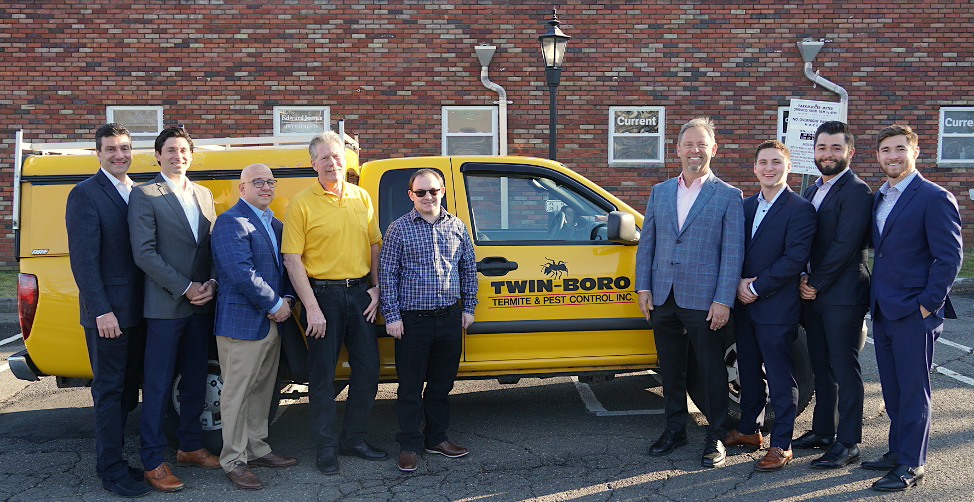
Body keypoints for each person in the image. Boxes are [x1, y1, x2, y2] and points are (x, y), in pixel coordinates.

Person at [634, 117, 745, 468]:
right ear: (678, 149)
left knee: (712, 371)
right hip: (663, 297)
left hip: (705, 300)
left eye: (701, 144)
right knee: (670, 369)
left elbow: (732, 253)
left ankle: (715, 437)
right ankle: (675, 429)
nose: (694, 150)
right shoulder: (660, 192)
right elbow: (647, 243)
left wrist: (723, 299)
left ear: (713, 149)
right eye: (688, 144)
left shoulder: (728, 196)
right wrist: (644, 287)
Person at [282, 131, 386, 476]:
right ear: (313, 164)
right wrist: (311, 307)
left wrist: (376, 288)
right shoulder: (300, 203)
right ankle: (326, 447)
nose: (331, 163)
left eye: (336, 156)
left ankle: (353, 439)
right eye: (323, 157)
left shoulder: (362, 198)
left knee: (369, 371)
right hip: (322, 296)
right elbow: (292, 259)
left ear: (346, 161)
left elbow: (374, 246)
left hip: (359, 296)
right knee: (322, 377)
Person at [865, 124, 962, 492]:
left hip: (914, 312)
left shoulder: (933, 196)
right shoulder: (880, 197)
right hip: (884, 308)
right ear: (878, 156)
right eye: (886, 150)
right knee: (892, 388)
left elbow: (949, 257)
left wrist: (927, 305)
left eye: (899, 149)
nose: (893, 156)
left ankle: (911, 463)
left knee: (913, 389)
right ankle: (896, 450)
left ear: (915, 151)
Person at [128, 126, 221, 492]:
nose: (178, 155)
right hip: (166, 305)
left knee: (196, 380)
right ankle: (152, 461)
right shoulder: (144, 194)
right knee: (159, 385)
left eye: (184, 150)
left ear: (191, 155)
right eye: (170, 150)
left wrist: (211, 283)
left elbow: (211, 247)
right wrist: (185, 287)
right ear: (158, 155)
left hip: (201, 304)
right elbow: (144, 253)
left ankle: (191, 446)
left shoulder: (204, 193)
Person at [65, 123, 151, 498]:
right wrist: (101, 311)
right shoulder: (85, 194)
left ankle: (116, 461)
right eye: (111, 149)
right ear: (98, 153)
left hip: (141, 312)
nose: (119, 155)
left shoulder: (138, 191)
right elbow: (84, 262)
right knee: (110, 392)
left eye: (125, 148)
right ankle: (111, 471)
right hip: (109, 316)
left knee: (129, 391)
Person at [724, 140, 816, 471]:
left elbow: (794, 258)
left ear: (787, 167)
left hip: (776, 306)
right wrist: (736, 284)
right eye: (763, 162)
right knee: (748, 371)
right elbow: (732, 250)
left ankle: (782, 444)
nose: (769, 168)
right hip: (744, 305)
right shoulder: (745, 206)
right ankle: (749, 430)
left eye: (776, 162)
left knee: (780, 377)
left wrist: (758, 287)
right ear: (754, 168)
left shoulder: (800, 208)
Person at [379, 169, 478, 472]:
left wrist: (469, 307)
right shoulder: (398, 229)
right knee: (409, 387)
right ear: (411, 196)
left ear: (442, 191)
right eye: (420, 192)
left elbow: (468, 268)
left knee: (440, 386)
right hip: (412, 322)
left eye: (432, 191)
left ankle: (436, 438)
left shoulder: (457, 226)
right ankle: (409, 444)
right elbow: (387, 275)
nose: (427, 197)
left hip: (449, 318)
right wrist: (392, 316)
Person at [211, 164, 298, 490]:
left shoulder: (274, 223)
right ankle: (233, 460)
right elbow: (240, 273)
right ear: (242, 188)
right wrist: (276, 305)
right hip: (241, 323)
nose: (265, 187)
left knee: (263, 391)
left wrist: (287, 297)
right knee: (236, 394)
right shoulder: (230, 222)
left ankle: (257, 448)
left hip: (271, 323)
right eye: (257, 182)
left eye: (270, 182)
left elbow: (285, 270)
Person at [793, 121, 873, 470]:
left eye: (835, 148)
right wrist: (801, 278)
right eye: (822, 148)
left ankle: (849, 441)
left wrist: (814, 281)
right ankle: (824, 432)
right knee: (822, 367)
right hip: (814, 294)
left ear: (849, 152)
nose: (827, 154)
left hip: (842, 293)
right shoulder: (812, 190)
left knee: (844, 367)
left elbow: (846, 245)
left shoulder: (857, 191)